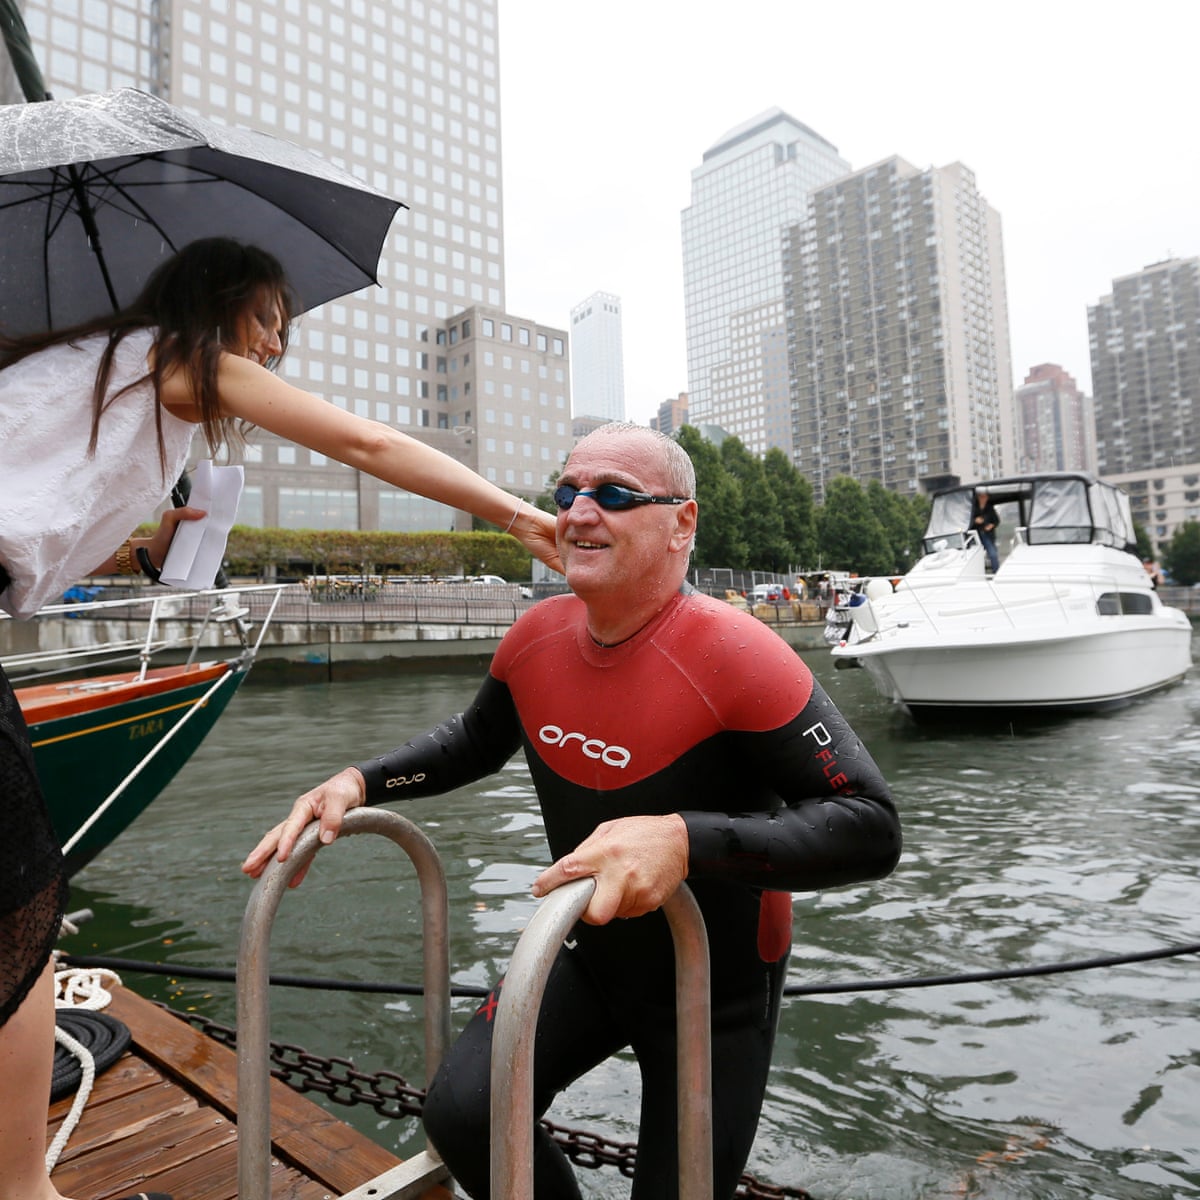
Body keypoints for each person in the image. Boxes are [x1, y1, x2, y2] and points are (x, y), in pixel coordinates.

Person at [0, 237, 560, 1200]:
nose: (271, 348)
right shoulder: (177, 358)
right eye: (266, 320)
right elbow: (364, 444)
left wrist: (145, 548)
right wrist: (516, 516)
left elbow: (28, 540)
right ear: (218, 302)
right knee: (15, 903)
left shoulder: (100, 365)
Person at [244, 422, 901, 1200]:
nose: (579, 512)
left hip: (714, 989)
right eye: (567, 493)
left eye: (615, 496)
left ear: (681, 523)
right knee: (461, 1115)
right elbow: (472, 744)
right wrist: (358, 783)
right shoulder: (535, 637)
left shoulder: (737, 653)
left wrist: (683, 839)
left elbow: (868, 824)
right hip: (589, 956)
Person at [971, 487, 1001, 573]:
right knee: (974, 557)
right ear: (978, 497)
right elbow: (967, 522)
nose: (983, 498)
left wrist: (991, 525)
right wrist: (974, 521)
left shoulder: (990, 508)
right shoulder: (973, 508)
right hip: (975, 535)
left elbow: (997, 521)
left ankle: (996, 573)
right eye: (981, 496)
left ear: (987, 497)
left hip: (988, 535)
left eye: (984, 496)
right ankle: (978, 573)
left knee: (993, 554)